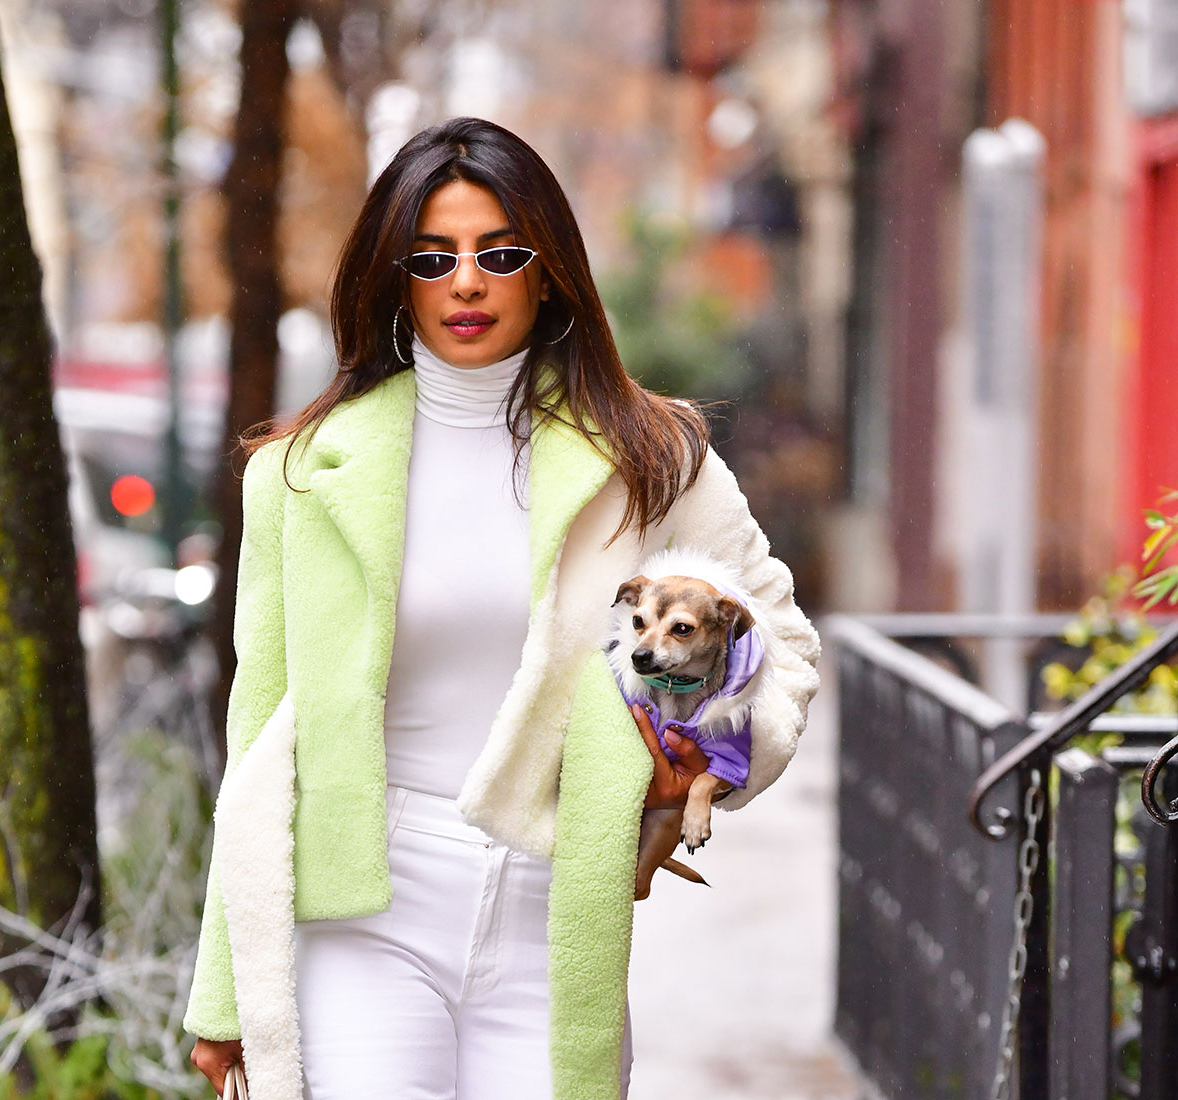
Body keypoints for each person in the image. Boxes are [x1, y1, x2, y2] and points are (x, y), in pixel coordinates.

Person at [185, 116, 820, 1100]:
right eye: (432, 257)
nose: (466, 282)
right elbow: (257, 726)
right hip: (364, 903)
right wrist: (223, 990)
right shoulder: (303, 475)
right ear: (394, 276)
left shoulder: (648, 456)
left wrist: (711, 744)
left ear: (547, 269)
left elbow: (778, 638)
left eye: (498, 252)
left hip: (554, 896)